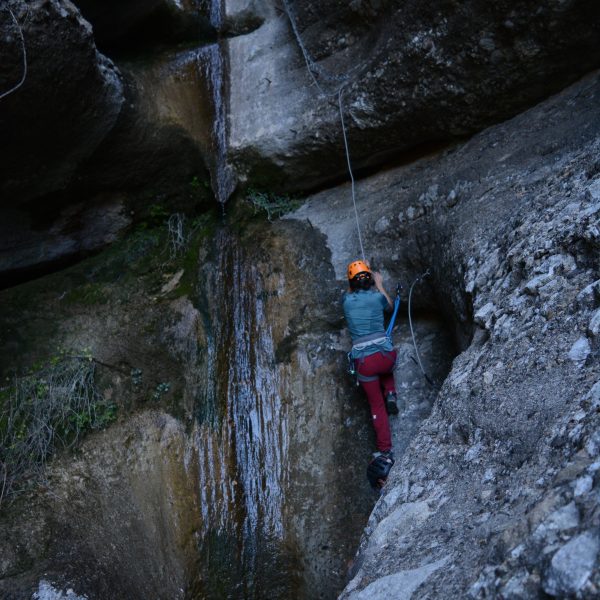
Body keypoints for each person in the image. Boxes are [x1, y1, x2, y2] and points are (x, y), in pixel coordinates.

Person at [342, 260, 399, 488]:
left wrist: (356, 284)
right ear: (369, 281)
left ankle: (385, 450)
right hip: (386, 358)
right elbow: (390, 306)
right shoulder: (377, 297)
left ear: (351, 284)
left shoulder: (346, 301)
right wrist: (380, 284)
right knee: (384, 358)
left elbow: (349, 293)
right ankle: (392, 392)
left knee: (376, 406)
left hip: (365, 363)